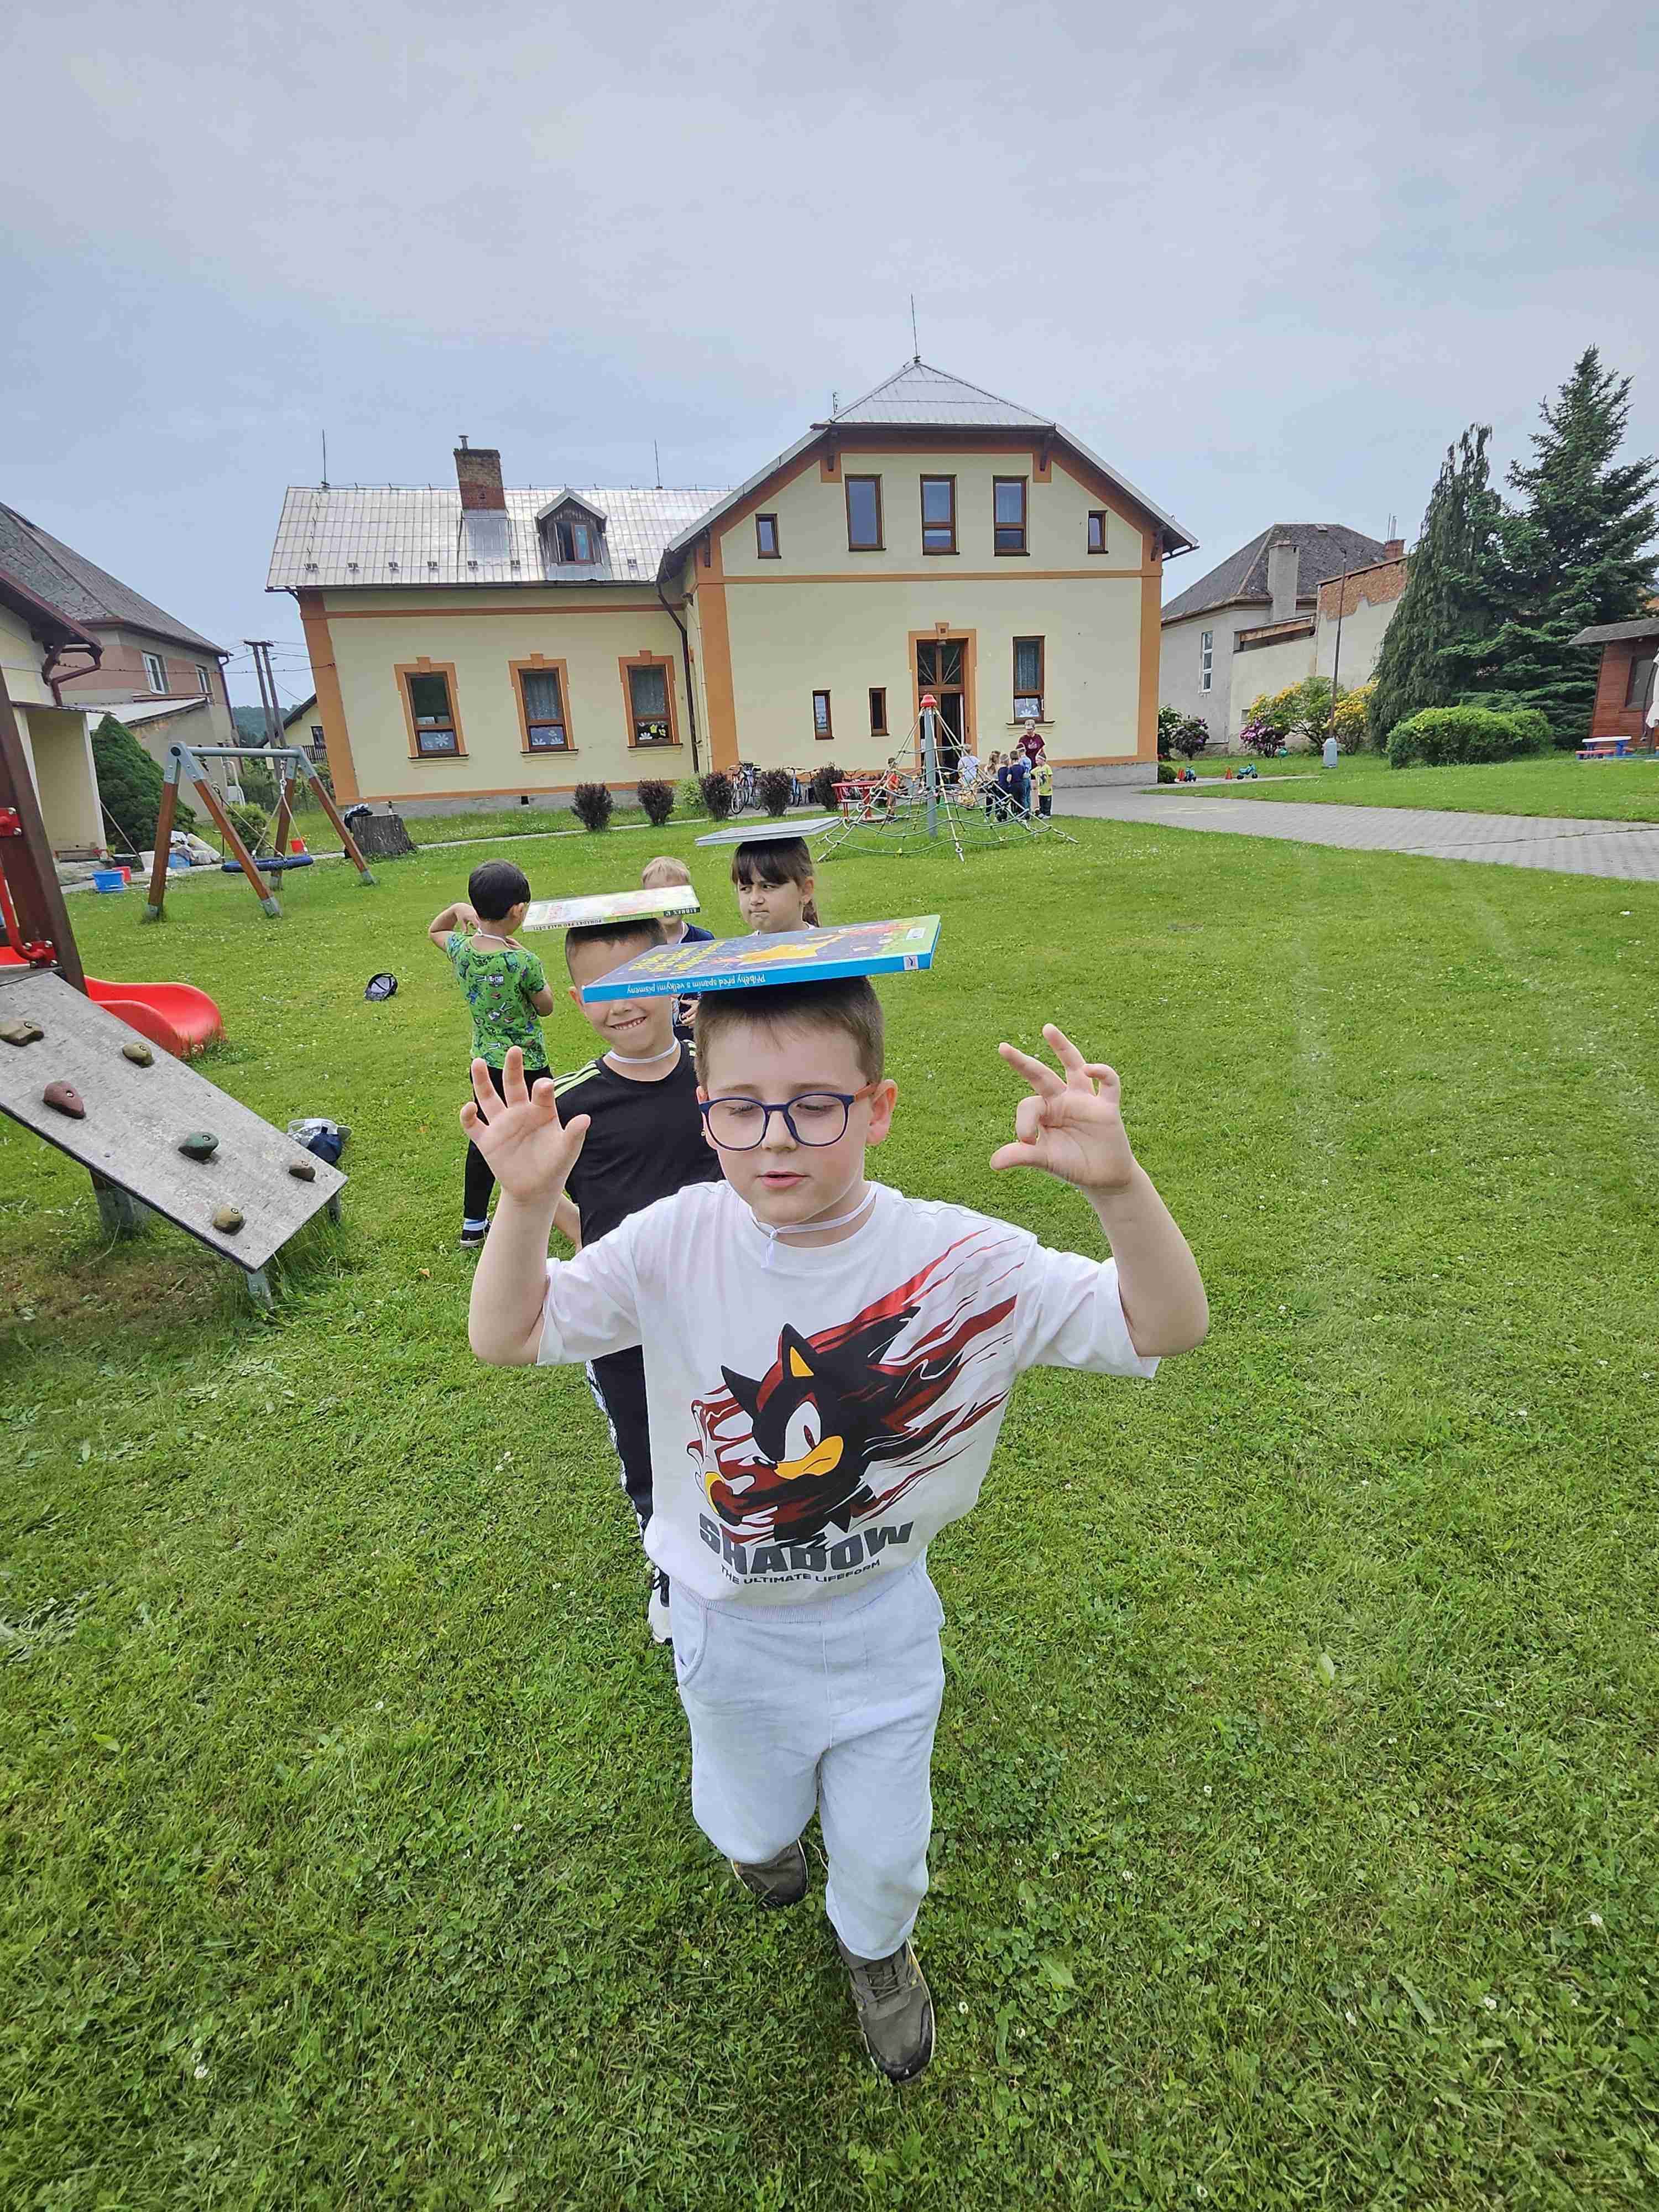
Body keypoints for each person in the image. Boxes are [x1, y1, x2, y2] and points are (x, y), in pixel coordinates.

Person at [465, 980, 1207, 2081]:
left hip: (880, 1625)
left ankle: (877, 1950)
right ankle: (763, 1849)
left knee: (885, 1849)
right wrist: (526, 1206)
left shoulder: (959, 1262)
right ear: (704, 1110)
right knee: (750, 1817)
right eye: (741, 1107)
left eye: (815, 1104)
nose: (775, 1138)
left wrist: (1120, 1186)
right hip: (725, 1625)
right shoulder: (671, 1241)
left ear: (879, 1108)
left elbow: (1166, 1324)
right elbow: (508, 1331)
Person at [549, 915, 724, 1642]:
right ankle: (669, 1565)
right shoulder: (569, 1104)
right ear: (575, 998)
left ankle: (739, 1533)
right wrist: (586, 1239)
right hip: (624, 1323)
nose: (620, 1003)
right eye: (599, 988)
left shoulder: (719, 1074)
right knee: (646, 1444)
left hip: (720, 1300)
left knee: (728, 1423)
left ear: (674, 978)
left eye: (636, 980)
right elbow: (541, 1190)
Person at [429, 860, 555, 1250]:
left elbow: (436, 930)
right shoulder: (522, 961)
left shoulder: (463, 950)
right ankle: (564, 1205)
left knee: (486, 1138)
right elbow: (547, 1006)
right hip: (528, 1064)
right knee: (548, 1131)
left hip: (485, 1066)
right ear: (518, 910)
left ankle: (473, 1224)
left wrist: (457, 910)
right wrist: (528, 961)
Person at [732, 836, 819, 933]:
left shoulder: (826, 942)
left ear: (805, 890)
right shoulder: (742, 944)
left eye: (767, 887)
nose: (754, 900)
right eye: (745, 888)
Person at [641, 855, 713, 947]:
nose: (668, 903)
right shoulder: (637, 944)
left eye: (676, 895)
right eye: (659, 896)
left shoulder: (703, 940)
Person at [1033, 750, 1053, 823]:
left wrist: (1049, 786)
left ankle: (1047, 814)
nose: (1036, 762)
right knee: (1041, 802)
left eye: (1038, 760)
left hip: (1047, 790)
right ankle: (1042, 813)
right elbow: (1031, 772)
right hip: (1041, 790)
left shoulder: (1047, 767)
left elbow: (1051, 777)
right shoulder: (1038, 769)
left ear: (1043, 760)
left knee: (1047, 802)